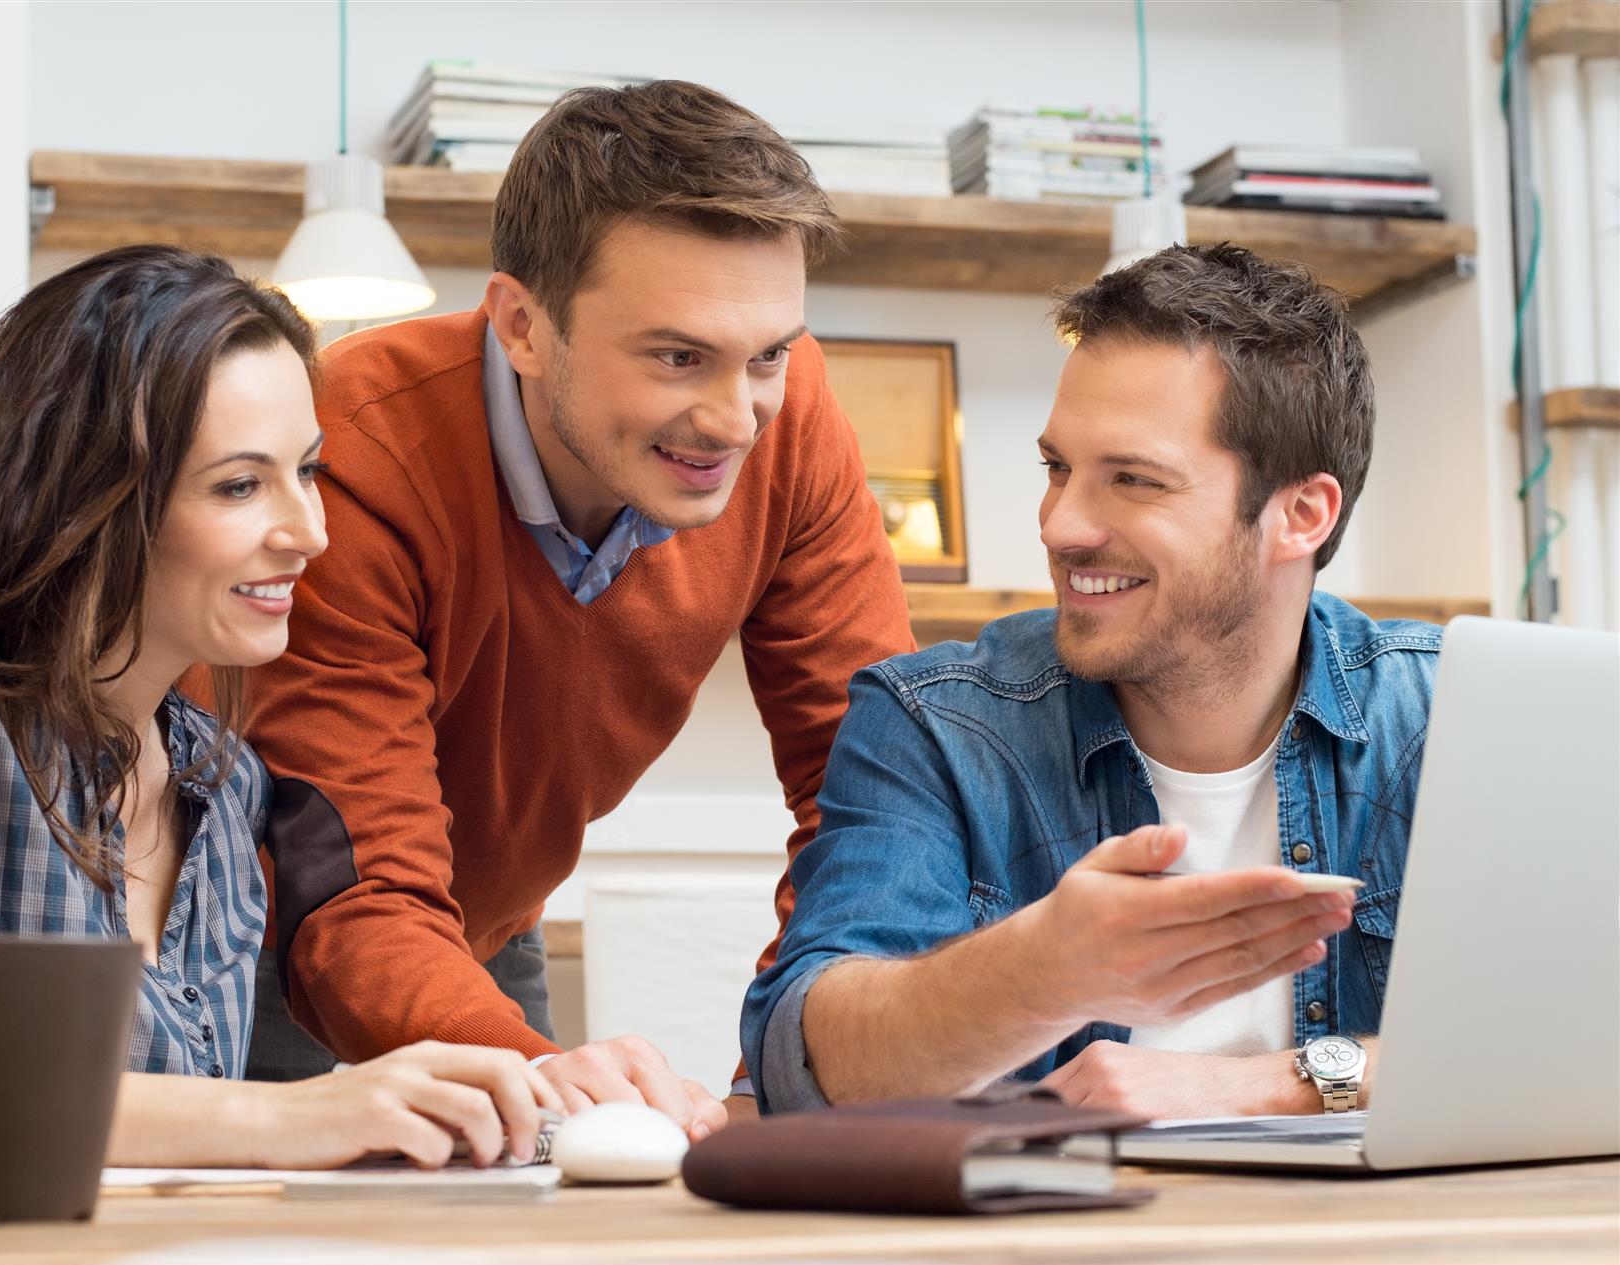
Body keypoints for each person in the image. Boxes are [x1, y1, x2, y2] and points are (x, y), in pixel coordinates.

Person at [0, 245, 560, 1169]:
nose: (309, 532)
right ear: (87, 498)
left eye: (310, 472)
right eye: (241, 485)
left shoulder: (223, 781)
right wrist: (289, 1118)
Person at [237, 80, 913, 1134]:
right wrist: (553, 1085)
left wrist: (781, 1070)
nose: (735, 418)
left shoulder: (791, 417)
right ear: (520, 325)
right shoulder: (353, 450)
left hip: (486, 921)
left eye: (768, 355)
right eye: (676, 355)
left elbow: (870, 796)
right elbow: (352, 879)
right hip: (263, 923)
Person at [743, 244, 1441, 1119]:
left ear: (1300, 515)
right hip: (1049, 1250)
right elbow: (808, 1067)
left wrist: (1262, 1084)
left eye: (1133, 480)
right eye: (1057, 467)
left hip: (1393, 1251)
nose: (1060, 524)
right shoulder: (934, 725)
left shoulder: (1448, 718)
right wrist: (1042, 971)